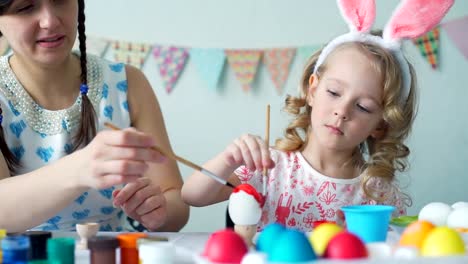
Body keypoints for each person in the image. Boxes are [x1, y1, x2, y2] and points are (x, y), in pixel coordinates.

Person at [182, 0, 453, 232]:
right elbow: (192, 195)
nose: (342, 111)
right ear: (312, 90)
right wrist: (229, 159)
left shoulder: (377, 193)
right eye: (334, 92)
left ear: (380, 125)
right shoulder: (269, 169)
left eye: (364, 107)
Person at [0, 0, 189, 232]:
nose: (50, 21)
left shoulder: (128, 83)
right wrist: (80, 168)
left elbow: (176, 202)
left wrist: (158, 211)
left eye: (60, 0)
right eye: (25, 7)